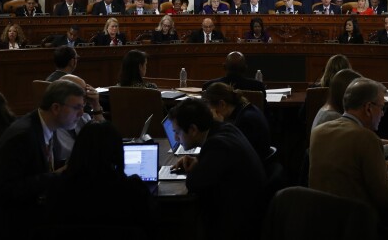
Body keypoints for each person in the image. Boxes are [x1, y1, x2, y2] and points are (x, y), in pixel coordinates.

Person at [309, 78, 388, 211]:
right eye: (382, 107)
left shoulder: (319, 131)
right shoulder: (367, 138)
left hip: (321, 217)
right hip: (355, 221)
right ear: (368, 108)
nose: (382, 114)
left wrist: (386, 166)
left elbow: (348, 172)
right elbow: (387, 197)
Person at [0, 80, 87, 234]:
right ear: (56, 108)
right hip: (22, 224)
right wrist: (57, 175)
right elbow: (5, 191)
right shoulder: (23, 136)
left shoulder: (45, 127)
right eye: (77, 108)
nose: (81, 114)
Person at [170, 98, 267, 240]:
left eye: (177, 132)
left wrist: (198, 165)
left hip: (238, 224)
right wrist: (199, 160)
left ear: (193, 130)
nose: (176, 138)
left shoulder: (217, 145)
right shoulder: (225, 128)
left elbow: (194, 183)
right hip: (250, 210)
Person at [43, 121, 157, 237]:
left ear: (78, 149)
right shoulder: (132, 189)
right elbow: (150, 227)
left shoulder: (57, 188)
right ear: (117, 151)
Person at [202, 82, 271, 159]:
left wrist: (218, 126)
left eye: (212, 110)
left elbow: (228, 151)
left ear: (222, 104)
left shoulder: (245, 121)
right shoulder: (246, 109)